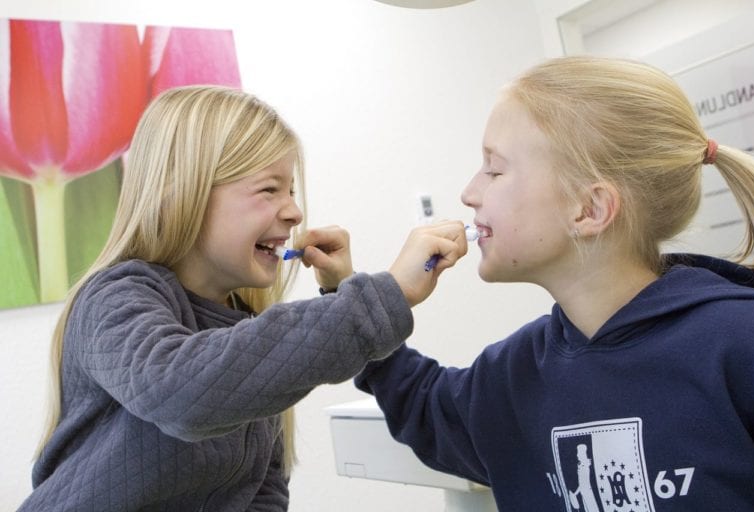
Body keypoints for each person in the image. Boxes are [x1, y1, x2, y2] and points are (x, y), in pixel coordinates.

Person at [20, 85, 468, 511]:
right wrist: (380, 298)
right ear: (184, 195)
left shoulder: (243, 332)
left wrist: (339, 293)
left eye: (290, 190)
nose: (294, 210)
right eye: (269, 189)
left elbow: (262, 488)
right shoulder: (113, 298)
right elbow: (181, 390)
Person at [355, 55, 754, 511]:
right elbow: (425, 404)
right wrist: (354, 302)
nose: (469, 193)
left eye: (494, 170)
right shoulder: (512, 375)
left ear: (589, 210)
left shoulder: (749, 344)